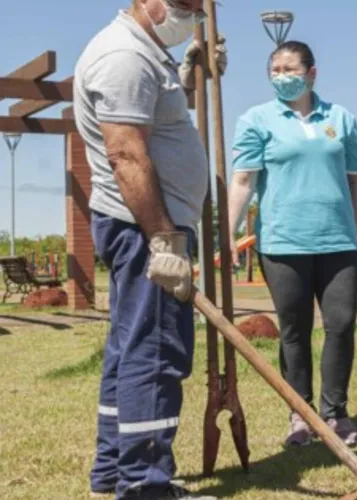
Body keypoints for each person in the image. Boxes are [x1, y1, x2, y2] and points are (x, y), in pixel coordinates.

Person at [73, 0, 224, 498]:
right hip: (145, 228)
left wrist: (190, 73)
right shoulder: (125, 57)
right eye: (185, 5)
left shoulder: (145, 53)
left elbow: (154, 126)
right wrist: (164, 239)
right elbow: (126, 155)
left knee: (130, 349)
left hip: (144, 226)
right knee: (156, 352)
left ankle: (114, 468)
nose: (193, 15)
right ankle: (145, 483)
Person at [228, 40, 357, 448]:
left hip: (337, 240)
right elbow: (243, 182)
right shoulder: (256, 119)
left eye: (289, 69)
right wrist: (228, 234)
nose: (281, 77)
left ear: (311, 74)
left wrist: (355, 228)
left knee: (341, 325)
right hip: (284, 241)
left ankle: (335, 413)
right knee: (294, 330)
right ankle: (300, 415)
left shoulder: (341, 119)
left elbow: (355, 180)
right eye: (274, 70)